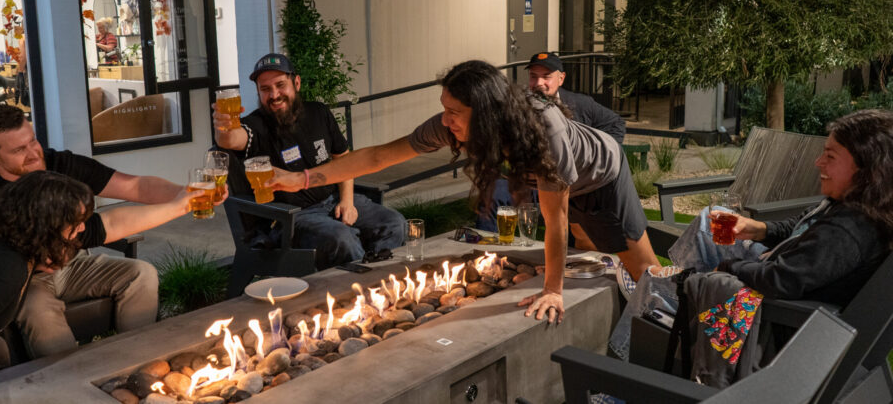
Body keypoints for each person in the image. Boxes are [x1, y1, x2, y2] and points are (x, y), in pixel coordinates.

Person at [267, 60, 661, 323]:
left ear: (484, 113)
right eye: (444, 108)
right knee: (586, 249)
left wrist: (552, 291)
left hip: (602, 176)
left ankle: (669, 325)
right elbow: (378, 157)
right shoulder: (453, 123)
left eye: (453, 111)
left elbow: (554, 216)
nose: (445, 119)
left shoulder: (545, 127)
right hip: (565, 183)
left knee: (642, 270)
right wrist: (301, 179)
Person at [0, 171, 206, 401]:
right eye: (74, 227)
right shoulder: (3, 268)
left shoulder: (5, 236)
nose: (79, 234)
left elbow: (110, 224)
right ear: (45, 226)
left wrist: (183, 203)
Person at [608, 109, 893, 363]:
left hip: (767, 322)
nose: (818, 162)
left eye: (830, 156)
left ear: (868, 170)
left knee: (650, 284)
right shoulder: (857, 204)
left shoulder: (847, 233)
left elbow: (780, 280)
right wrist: (760, 229)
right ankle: (682, 287)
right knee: (715, 220)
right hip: (776, 280)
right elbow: (804, 227)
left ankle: (618, 381)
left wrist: (727, 269)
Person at [0, 104, 221, 358]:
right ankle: (75, 381)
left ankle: (136, 361)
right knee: (39, 312)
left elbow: (134, 187)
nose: (34, 153)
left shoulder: (61, 164)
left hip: (73, 264)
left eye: (32, 140)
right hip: (22, 280)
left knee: (140, 274)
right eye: (18, 150)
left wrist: (187, 194)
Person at [212, 53, 405, 269]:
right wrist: (224, 127)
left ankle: (385, 279)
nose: (274, 95)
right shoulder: (257, 125)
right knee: (342, 238)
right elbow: (231, 140)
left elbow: (344, 160)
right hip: (296, 217)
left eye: (280, 85)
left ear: (296, 83)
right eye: (265, 89)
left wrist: (347, 200)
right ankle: (362, 290)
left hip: (334, 199)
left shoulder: (319, 112)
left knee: (394, 223)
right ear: (258, 92)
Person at [476, 52, 626, 233]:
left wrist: (604, 157)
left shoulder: (581, 104)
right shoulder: (518, 105)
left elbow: (615, 123)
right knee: (495, 192)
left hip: (571, 183)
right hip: (532, 181)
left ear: (561, 78)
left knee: (578, 212)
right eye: (533, 76)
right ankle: (488, 253)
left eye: (546, 76)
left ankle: (572, 257)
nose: (539, 83)